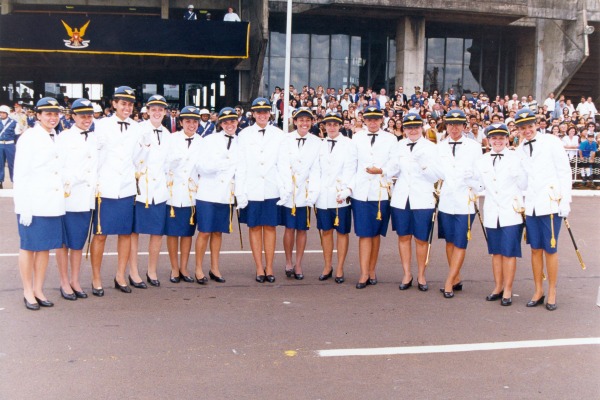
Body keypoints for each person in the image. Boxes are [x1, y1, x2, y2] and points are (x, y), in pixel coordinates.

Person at [90, 86, 151, 296]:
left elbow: (139, 158)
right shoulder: (100, 125)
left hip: (126, 187)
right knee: (100, 235)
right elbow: (93, 157)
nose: (127, 107)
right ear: (114, 103)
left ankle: (120, 275)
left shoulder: (138, 128)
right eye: (123, 103)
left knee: (125, 234)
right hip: (104, 187)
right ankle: (96, 278)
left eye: (130, 104)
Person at [516, 108, 572, 311]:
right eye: (523, 128)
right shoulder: (520, 148)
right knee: (535, 249)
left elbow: (564, 172)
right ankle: (538, 289)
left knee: (550, 249)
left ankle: (552, 291)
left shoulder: (551, 142)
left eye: (530, 126)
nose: (527, 130)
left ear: (536, 125)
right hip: (531, 205)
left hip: (550, 203)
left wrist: (565, 201)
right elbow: (523, 181)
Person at [14, 97, 65, 310]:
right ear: (38, 116)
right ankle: (27, 290)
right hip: (33, 202)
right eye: (48, 114)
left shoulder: (56, 136)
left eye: (55, 114)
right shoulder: (29, 137)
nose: (52, 118)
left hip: (51, 202)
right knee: (29, 247)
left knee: (44, 248)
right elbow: (21, 173)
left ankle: (38, 288)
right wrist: (24, 206)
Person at [472, 123, 527, 306]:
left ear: (507, 139)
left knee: (509, 252)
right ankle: (498, 286)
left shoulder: (516, 158)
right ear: (488, 140)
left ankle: (508, 289)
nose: (497, 141)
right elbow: (479, 186)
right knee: (495, 252)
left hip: (511, 211)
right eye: (494, 138)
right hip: (492, 212)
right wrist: (468, 180)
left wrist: (518, 173)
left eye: (501, 138)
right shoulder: (482, 160)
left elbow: (525, 184)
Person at [386, 113, 441, 291]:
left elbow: (435, 176)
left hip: (422, 198)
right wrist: (381, 170)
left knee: (421, 239)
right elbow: (392, 168)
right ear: (404, 130)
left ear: (421, 128)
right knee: (403, 236)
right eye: (409, 127)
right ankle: (407, 273)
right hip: (402, 197)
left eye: (416, 127)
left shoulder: (431, 148)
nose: (413, 130)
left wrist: (423, 164)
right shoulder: (399, 146)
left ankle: (421, 275)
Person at [235, 97, 286, 283]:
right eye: (259, 112)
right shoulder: (244, 135)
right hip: (252, 187)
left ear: (270, 114)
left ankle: (270, 267)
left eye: (265, 112)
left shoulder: (279, 134)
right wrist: (240, 192)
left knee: (271, 227)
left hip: (272, 187)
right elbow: (241, 165)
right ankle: (259, 267)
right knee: (255, 227)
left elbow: (283, 164)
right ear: (253, 114)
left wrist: (284, 187)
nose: (262, 115)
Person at [54, 99, 98, 301]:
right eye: (82, 116)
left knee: (78, 243)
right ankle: (64, 281)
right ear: (73, 117)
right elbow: (58, 168)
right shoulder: (64, 137)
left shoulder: (95, 138)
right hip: (68, 196)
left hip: (86, 198)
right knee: (64, 243)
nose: (87, 119)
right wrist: (76, 178)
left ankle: (75, 280)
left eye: (89, 116)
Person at [349, 105, 396, 289]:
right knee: (364, 233)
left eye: (376, 119)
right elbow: (352, 165)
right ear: (364, 120)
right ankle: (363, 273)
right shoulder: (357, 138)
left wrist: (382, 171)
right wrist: (349, 188)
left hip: (380, 191)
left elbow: (395, 163)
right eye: (369, 119)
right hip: (361, 192)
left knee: (376, 233)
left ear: (381, 120)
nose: (373, 122)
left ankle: (372, 269)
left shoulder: (391, 139)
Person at [437, 109, 482, 298]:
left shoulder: (474, 146)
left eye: (458, 124)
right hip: (446, 200)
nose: (454, 128)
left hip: (465, 200)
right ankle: (456, 277)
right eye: (450, 124)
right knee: (449, 241)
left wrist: (471, 180)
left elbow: (480, 176)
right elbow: (437, 173)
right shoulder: (439, 146)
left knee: (460, 242)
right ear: (446, 126)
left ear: (464, 126)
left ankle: (449, 281)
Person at [192, 107, 239, 284]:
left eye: (232, 121)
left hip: (226, 194)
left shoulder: (240, 142)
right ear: (220, 124)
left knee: (218, 232)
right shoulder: (209, 140)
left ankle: (215, 268)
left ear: (237, 122)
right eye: (226, 122)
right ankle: (198, 268)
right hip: (207, 193)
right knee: (204, 232)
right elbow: (201, 167)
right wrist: (221, 165)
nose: (229, 125)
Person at [128, 95, 170, 288]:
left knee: (157, 232)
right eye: (153, 109)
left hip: (159, 189)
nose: (157, 112)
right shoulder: (137, 130)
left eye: (160, 109)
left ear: (165, 111)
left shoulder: (168, 134)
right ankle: (133, 272)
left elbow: (168, 164)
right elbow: (131, 158)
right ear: (147, 110)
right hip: (140, 188)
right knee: (134, 232)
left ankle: (152, 270)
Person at [278, 107, 321, 280]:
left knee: (302, 229)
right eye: (301, 120)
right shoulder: (285, 140)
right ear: (294, 122)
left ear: (311, 122)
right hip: (289, 190)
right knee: (289, 228)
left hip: (305, 190)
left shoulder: (317, 141)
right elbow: (281, 164)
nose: (304, 123)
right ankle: (288, 262)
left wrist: (312, 191)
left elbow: (316, 168)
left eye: (308, 120)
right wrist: (287, 186)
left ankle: (298, 264)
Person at [164, 106, 202, 283]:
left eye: (195, 121)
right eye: (187, 121)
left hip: (191, 194)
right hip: (173, 192)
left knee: (187, 233)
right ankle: (174, 268)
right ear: (180, 122)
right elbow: (163, 164)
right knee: (172, 233)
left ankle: (184, 267)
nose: (191, 125)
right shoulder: (170, 139)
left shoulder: (203, 142)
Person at [315, 112, 353, 283]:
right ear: (324, 126)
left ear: (340, 126)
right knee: (326, 232)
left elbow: (351, 168)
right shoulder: (319, 144)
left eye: (335, 124)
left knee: (342, 232)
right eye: (328, 124)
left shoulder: (348, 144)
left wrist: (345, 190)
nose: (331, 127)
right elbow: (316, 170)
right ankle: (327, 265)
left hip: (340, 195)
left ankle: (339, 268)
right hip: (323, 195)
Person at [0, 105, 17, 189]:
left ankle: (14, 181)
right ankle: (0, 181)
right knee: (0, 163)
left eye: (3, 113)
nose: (1, 114)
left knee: (12, 164)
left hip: (10, 144)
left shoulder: (13, 122)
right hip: (0, 144)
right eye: (0, 113)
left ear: (7, 113)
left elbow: (17, 134)